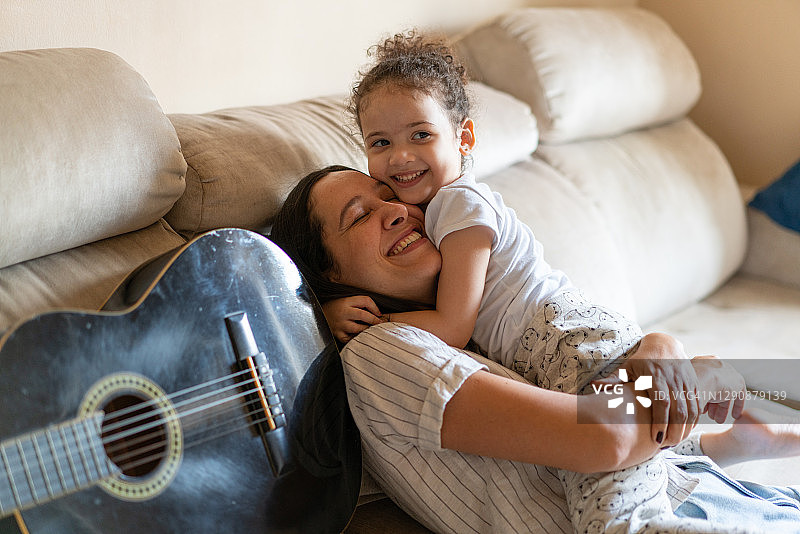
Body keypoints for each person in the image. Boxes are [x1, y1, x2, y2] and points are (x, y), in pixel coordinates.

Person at [319, 31, 736, 533]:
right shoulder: (428, 219)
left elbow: (452, 326)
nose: (401, 157)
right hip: (567, 347)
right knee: (645, 441)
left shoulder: (457, 208)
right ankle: (724, 404)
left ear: (465, 139)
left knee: (610, 507)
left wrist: (372, 321)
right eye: (381, 142)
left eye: (420, 135)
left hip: (567, 346)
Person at [269, 166, 800, 534]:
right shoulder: (379, 355)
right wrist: (665, 360)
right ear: (328, 274)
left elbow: (611, 446)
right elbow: (607, 440)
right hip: (677, 515)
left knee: (754, 380)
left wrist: (665, 351)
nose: (397, 211)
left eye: (392, 196)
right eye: (360, 215)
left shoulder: (475, 317)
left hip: (715, 492)